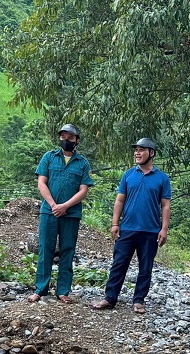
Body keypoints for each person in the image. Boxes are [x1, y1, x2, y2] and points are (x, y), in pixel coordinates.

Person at [92, 138, 172, 314]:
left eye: (141, 149)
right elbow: (120, 199)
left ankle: (139, 301)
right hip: (127, 228)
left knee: (146, 267)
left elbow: (165, 205)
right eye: (136, 149)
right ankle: (110, 298)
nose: (137, 152)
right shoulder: (128, 175)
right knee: (119, 264)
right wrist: (115, 224)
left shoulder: (162, 178)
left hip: (150, 231)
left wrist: (164, 229)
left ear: (151, 153)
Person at [29, 123, 94, 304]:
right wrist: (52, 204)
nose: (66, 140)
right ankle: (40, 289)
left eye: (70, 138)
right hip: (48, 213)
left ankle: (63, 291)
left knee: (67, 250)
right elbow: (42, 183)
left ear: (77, 141)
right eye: (63, 137)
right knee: (45, 249)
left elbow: (83, 191)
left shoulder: (82, 163)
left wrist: (64, 206)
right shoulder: (49, 158)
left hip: (71, 214)